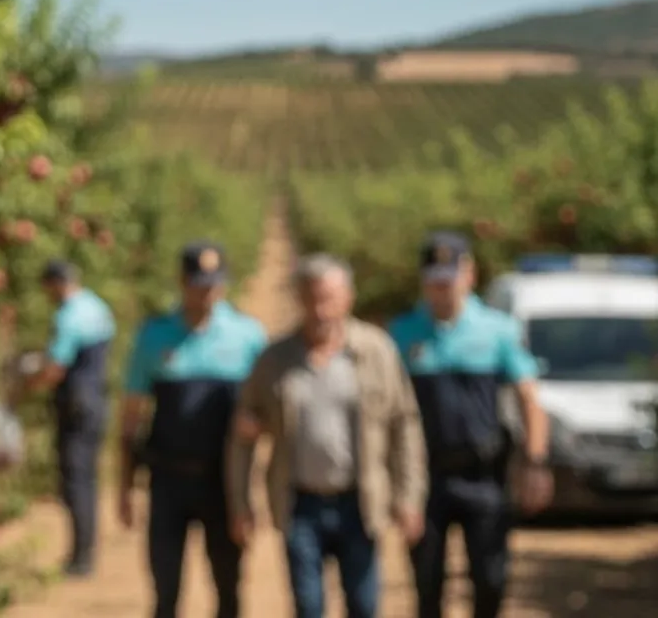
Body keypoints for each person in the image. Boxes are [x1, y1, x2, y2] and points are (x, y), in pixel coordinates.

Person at [227, 253, 428, 618]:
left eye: (329, 299)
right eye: (312, 299)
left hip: (360, 502)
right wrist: (241, 504)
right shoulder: (275, 360)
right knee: (308, 606)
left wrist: (409, 495)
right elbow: (243, 434)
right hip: (299, 503)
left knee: (364, 606)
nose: (321, 310)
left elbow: (405, 426)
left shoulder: (375, 351)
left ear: (347, 298)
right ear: (300, 299)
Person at [388, 231, 553, 618]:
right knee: (427, 585)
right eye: (434, 277)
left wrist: (536, 461)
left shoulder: (497, 330)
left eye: (450, 275)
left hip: (484, 477)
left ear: (469, 275)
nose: (442, 286)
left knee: (491, 579)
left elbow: (529, 398)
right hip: (425, 479)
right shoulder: (402, 333)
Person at [118, 241, 267, 618]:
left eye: (214, 283)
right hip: (168, 480)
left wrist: (253, 493)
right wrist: (124, 485)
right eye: (199, 283)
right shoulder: (154, 336)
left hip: (223, 483)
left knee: (228, 587)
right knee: (166, 589)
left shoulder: (247, 336)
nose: (207, 292)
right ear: (182, 282)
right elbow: (132, 414)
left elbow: (266, 413)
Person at [22, 259, 115, 577]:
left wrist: (25, 386)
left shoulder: (68, 316)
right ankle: (85, 551)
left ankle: (81, 558)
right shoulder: (97, 307)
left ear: (57, 283)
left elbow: (55, 368)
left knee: (76, 482)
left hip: (75, 407)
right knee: (87, 479)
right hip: (96, 402)